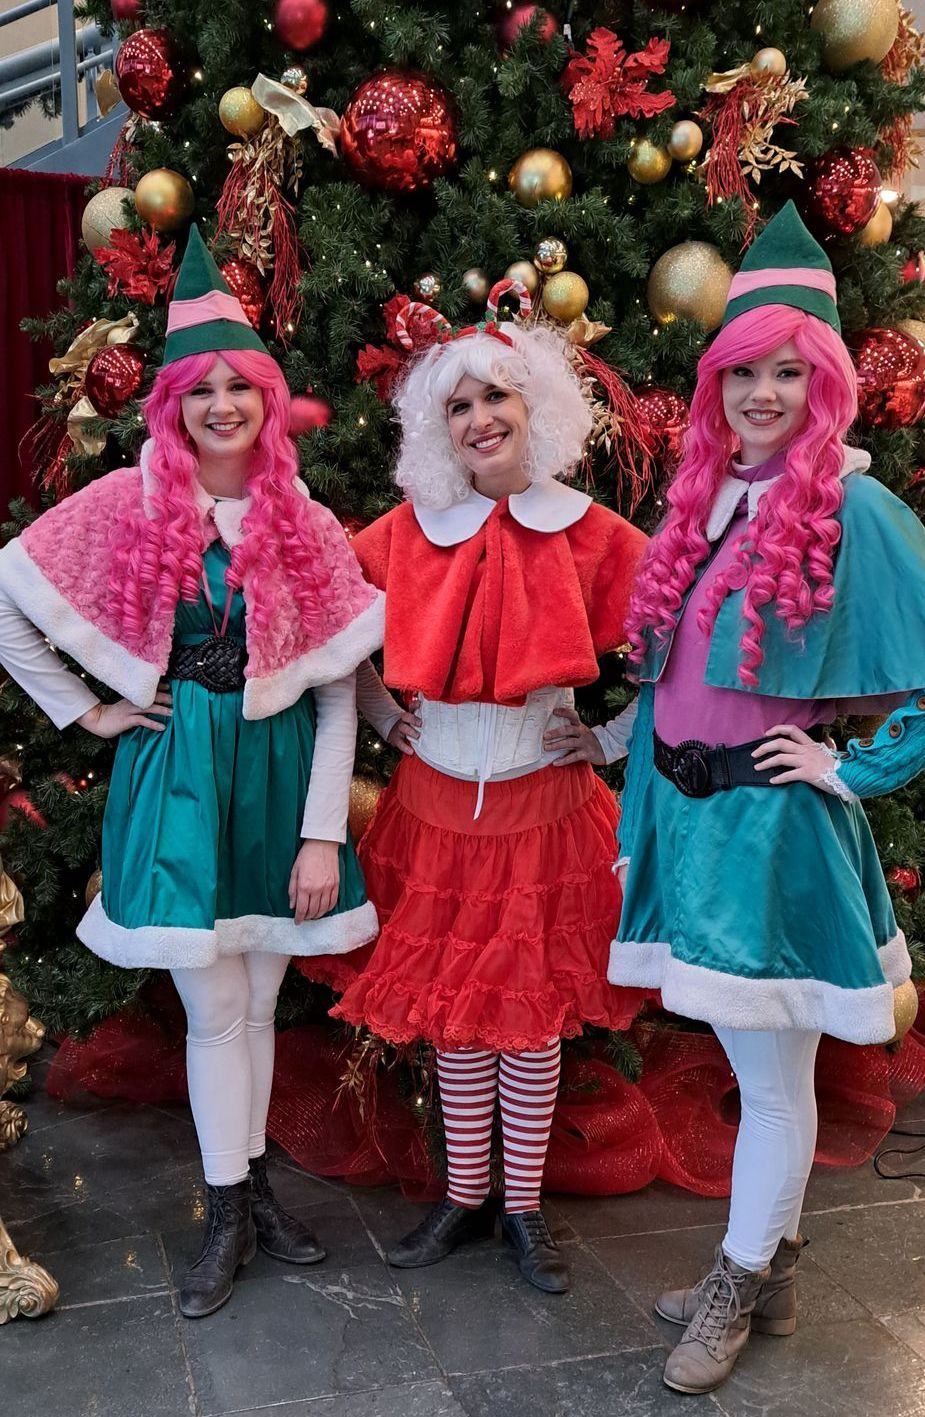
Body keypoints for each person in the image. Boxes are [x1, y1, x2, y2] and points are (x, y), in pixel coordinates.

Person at [544, 202, 925, 1391]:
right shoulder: (705, 504)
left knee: (769, 1075)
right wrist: (608, 737)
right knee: (764, 1067)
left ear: (823, 387)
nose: (763, 393)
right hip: (691, 823)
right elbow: (682, 679)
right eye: (742, 372)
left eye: (786, 373)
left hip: (774, 841)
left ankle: (739, 1276)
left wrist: (851, 768)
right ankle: (773, 1261)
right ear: (715, 387)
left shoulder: (854, 508)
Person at [0, 229, 384, 1318]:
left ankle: (252, 1192)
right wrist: (90, 708)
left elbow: (334, 686)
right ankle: (223, 1213)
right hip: (174, 776)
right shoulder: (128, 506)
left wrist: (321, 833)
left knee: (258, 996)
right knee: (215, 1008)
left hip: (272, 782)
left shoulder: (302, 521)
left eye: (240, 385)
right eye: (200, 387)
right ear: (172, 403)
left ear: (267, 399)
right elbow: (8, 597)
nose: (222, 404)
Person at [325, 284, 648, 1294]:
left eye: (498, 397)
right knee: (458, 1021)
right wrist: (385, 718)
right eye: (458, 406)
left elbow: (673, 646)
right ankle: (464, 1196)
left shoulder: (590, 532)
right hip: (431, 809)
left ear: (537, 407)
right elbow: (336, 638)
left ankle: (522, 1210)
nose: (480, 419)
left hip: (543, 812)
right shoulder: (408, 530)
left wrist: (605, 738)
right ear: (438, 426)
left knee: (532, 1019)